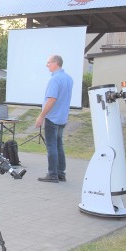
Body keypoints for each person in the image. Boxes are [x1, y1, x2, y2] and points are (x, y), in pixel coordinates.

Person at [36, 55, 73, 183]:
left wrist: (41, 116)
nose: (47, 65)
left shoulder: (55, 80)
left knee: (51, 146)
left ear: (56, 63)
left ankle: (52, 174)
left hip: (52, 117)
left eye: (48, 63)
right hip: (62, 117)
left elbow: (52, 99)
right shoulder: (69, 78)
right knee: (59, 145)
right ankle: (61, 173)